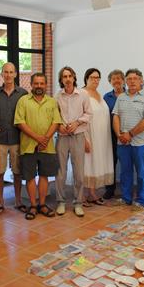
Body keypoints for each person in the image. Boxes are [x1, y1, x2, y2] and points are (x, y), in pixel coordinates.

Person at [14, 73, 62, 220]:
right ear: (31, 84)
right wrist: (38, 138)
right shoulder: (23, 101)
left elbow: (56, 121)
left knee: (44, 176)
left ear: (46, 85)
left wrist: (45, 139)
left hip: (47, 147)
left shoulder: (52, 102)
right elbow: (20, 122)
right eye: (36, 83)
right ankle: (33, 206)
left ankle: (42, 204)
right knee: (29, 177)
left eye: (42, 83)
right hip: (28, 146)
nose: (39, 86)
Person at [112, 68, 144, 211]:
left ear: (141, 81)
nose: (131, 81)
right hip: (122, 143)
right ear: (126, 81)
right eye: (129, 79)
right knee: (125, 172)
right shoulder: (121, 97)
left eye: (135, 79)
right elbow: (116, 116)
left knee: (141, 173)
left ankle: (141, 201)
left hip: (140, 143)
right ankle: (126, 198)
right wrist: (119, 134)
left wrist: (129, 134)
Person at [0, 63, 28, 214]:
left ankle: (18, 201)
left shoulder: (23, 93)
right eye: (5, 72)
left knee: (17, 172)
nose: (8, 75)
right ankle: (1, 201)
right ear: (2, 74)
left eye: (11, 72)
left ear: (15, 74)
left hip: (17, 138)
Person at [55, 66, 92, 217]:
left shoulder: (83, 94)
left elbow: (89, 114)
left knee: (78, 172)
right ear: (61, 80)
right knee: (60, 172)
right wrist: (60, 127)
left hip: (78, 136)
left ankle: (78, 203)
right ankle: (61, 202)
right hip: (62, 137)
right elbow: (54, 115)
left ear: (74, 78)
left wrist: (77, 123)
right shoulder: (57, 96)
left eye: (70, 76)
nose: (68, 79)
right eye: (64, 77)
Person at [82, 68, 113, 205]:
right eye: (92, 77)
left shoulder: (99, 94)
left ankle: (92, 193)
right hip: (88, 135)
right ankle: (81, 196)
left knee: (95, 164)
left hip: (102, 136)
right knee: (86, 165)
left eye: (98, 78)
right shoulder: (82, 93)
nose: (95, 80)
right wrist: (84, 139)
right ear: (86, 78)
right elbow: (79, 117)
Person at [102, 69, 125, 199]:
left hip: (126, 134)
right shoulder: (106, 97)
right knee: (111, 162)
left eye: (119, 78)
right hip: (110, 135)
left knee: (125, 162)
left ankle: (125, 189)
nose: (116, 81)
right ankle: (110, 189)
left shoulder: (129, 95)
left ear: (123, 80)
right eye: (113, 79)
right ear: (110, 82)